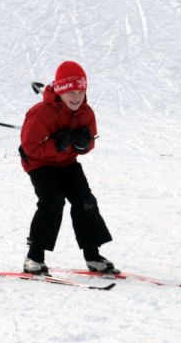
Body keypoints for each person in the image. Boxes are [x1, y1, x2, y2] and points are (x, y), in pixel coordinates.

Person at [18, 61, 117, 275]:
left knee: (85, 201)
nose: (76, 97)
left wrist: (83, 144)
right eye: (71, 92)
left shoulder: (86, 112)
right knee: (52, 201)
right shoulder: (40, 113)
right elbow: (29, 147)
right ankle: (34, 257)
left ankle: (93, 256)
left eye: (80, 91)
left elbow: (89, 144)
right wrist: (56, 144)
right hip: (40, 164)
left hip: (67, 163)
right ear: (61, 91)